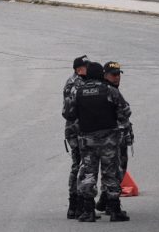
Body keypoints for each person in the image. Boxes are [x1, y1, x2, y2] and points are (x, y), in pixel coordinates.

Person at [74, 62, 132, 222]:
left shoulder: (79, 91)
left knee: (88, 173)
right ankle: (114, 210)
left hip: (87, 140)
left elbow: (70, 113)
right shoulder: (110, 91)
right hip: (108, 139)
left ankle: (88, 211)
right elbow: (125, 111)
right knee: (110, 172)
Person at [99, 61, 133, 214]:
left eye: (118, 74)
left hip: (114, 136)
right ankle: (108, 200)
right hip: (116, 136)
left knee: (112, 169)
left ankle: (106, 199)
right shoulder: (111, 91)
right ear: (105, 75)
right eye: (113, 75)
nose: (117, 77)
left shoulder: (108, 89)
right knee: (117, 169)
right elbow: (125, 111)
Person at [62, 55, 89, 219]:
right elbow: (69, 112)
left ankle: (77, 204)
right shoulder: (75, 83)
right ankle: (75, 203)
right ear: (79, 69)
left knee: (81, 164)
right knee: (79, 165)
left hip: (79, 129)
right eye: (86, 67)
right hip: (76, 130)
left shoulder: (79, 81)